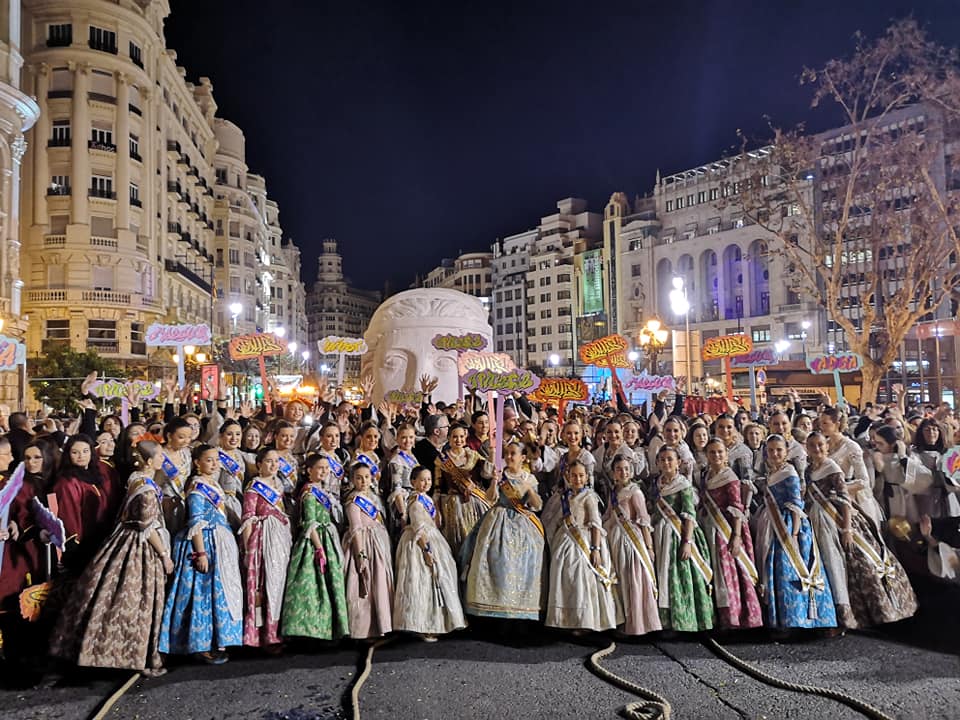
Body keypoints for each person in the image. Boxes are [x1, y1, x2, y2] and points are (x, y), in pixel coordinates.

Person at [49, 441, 173, 675]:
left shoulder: (136, 478)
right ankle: (137, 658)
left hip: (121, 541)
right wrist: (165, 555)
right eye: (159, 456)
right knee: (139, 604)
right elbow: (148, 527)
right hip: (140, 550)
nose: (162, 460)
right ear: (149, 461)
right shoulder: (146, 490)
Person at [805, 432, 917, 630]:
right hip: (817, 519)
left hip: (838, 520)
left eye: (820, 445)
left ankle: (868, 612)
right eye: (812, 445)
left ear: (827, 447)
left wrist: (847, 529)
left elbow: (844, 500)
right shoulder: (808, 470)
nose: (817, 449)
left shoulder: (833, 468)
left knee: (852, 563)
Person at [160, 444, 243, 664]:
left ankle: (217, 640)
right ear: (197, 462)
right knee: (203, 597)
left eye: (216, 460)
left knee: (219, 594)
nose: (214, 464)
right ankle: (201, 645)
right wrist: (201, 554)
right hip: (204, 544)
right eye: (209, 460)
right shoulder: (197, 487)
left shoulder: (212, 483)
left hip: (219, 543)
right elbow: (196, 521)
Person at [752, 434, 836, 632]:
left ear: (787, 452)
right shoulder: (774, 472)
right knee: (776, 571)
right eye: (770, 450)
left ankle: (798, 620)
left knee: (789, 570)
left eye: (779, 450)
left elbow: (796, 505)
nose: (774, 453)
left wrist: (795, 533)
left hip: (789, 525)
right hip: (773, 523)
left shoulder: (789, 472)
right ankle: (783, 620)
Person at [464, 442, 544, 621]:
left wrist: (529, 488)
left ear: (523, 457)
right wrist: (493, 481)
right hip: (498, 520)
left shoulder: (529, 478)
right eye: (507, 453)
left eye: (513, 454)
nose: (508, 457)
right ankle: (495, 611)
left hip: (523, 522)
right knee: (497, 560)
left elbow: (537, 505)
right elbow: (490, 498)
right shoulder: (500, 476)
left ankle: (521, 610)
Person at [546, 460, 620, 633]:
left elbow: (595, 524)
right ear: (568, 477)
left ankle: (584, 620)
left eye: (581, 475)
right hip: (564, 540)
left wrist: (595, 549)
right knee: (562, 576)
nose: (577, 479)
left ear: (587, 477)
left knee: (581, 577)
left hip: (584, 541)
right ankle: (565, 620)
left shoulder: (590, 497)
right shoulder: (564, 496)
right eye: (574, 475)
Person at [281, 454, 349, 642]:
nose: (324, 471)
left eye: (326, 468)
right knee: (314, 587)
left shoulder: (323, 490)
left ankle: (329, 630)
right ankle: (312, 631)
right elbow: (310, 522)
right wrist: (319, 548)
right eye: (320, 468)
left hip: (327, 536)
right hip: (315, 541)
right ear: (309, 470)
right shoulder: (309, 492)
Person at [393, 466, 466, 640]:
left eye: (429, 479)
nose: (426, 483)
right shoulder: (416, 502)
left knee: (439, 579)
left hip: (433, 537)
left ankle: (436, 623)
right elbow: (419, 529)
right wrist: (427, 551)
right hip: (421, 543)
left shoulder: (426, 498)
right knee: (423, 582)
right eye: (422, 480)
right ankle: (424, 625)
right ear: (413, 482)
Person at [700, 439, 762, 630]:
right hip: (710, 527)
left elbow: (737, 508)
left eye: (720, 452)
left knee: (730, 573)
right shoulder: (706, 474)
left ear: (726, 455)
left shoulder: (731, 478)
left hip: (727, 530)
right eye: (712, 452)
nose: (716, 456)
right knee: (716, 572)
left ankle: (736, 617)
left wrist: (736, 536)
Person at [651, 445, 714, 633]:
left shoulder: (684, 485)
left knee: (679, 577)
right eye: (662, 459)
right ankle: (665, 622)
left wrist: (687, 542)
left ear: (678, 462)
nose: (666, 463)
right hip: (661, 535)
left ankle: (684, 622)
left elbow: (689, 515)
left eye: (670, 459)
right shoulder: (657, 483)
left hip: (679, 536)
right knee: (663, 577)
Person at [240, 448, 292, 652]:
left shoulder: (278, 485)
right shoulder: (254, 487)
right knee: (264, 585)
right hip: (262, 539)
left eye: (276, 461)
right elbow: (247, 518)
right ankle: (263, 636)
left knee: (279, 584)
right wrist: (247, 550)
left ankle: (277, 631)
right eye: (268, 461)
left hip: (279, 539)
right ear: (259, 464)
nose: (273, 465)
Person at [603, 455, 660, 636]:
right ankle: (625, 622)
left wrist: (649, 547)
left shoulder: (635, 492)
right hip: (615, 541)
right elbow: (607, 516)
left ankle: (639, 625)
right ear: (614, 473)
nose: (623, 472)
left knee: (633, 580)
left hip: (631, 542)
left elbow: (644, 520)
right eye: (619, 469)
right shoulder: (613, 492)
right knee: (621, 582)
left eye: (626, 469)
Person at [343, 461, 394, 639]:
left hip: (377, 542)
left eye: (366, 477)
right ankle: (363, 629)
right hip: (363, 544)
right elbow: (355, 528)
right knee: (365, 586)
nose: (363, 481)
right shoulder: (353, 501)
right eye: (359, 478)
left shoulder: (373, 497)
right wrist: (360, 555)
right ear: (352, 480)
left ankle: (382, 625)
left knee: (380, 584)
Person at [434, 423, 491, 560]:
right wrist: (437, 511)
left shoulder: (473, 455)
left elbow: (488, 473)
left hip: (474, 503)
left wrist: (492, 455)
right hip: (453, 506)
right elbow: (437, 488)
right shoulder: (441, 460)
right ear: (449, 439)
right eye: (455, 437)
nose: (458, 440)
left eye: (461, 437)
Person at [158, 418, 195, 537]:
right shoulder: (159, 454)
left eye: (189, 437)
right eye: (181, 437)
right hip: (163, 505)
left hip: (182, 503)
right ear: (169, 436)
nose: (186, 441)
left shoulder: (187, 454)